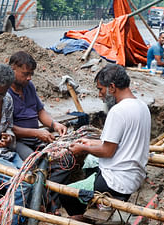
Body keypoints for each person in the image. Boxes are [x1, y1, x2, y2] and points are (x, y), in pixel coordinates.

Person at [62, 64, 151, 217]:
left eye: (100, 89)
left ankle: (82, 223)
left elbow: (107, 151)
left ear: (112, 87)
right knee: (90, 160)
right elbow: (119, 143)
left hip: (118, 183)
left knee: (66, 195)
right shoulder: (142, 106)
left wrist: (83, 148)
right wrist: (89, 143)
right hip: (135, 176)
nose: (100, 94)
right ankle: (95, 200)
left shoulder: (118, 111)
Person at [7, 51, 67, 160]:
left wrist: (55, 124)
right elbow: (8, 128)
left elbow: (40, 111)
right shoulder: (5, 93)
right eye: (25, 74)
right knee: (35, 161)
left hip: (36, 137)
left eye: (31, 74)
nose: (29, 78)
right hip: (18, 141)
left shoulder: (29, 86)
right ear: (12, 69)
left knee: (63, 155)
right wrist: (36, 133)